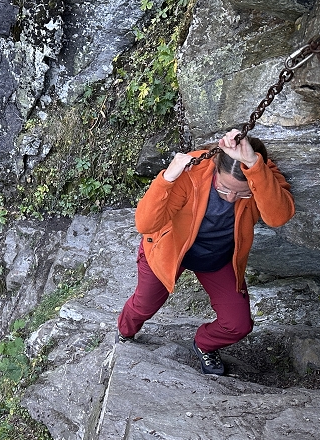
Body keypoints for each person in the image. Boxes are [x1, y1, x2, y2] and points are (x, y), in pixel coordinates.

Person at [117, 128, 295, 375]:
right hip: (169, 249)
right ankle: (124, 333)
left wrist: (254, 167)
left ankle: (204, 344)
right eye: (224, 189)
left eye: (242, 193)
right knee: (143, 305)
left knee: (238, 324)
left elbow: (279, 217)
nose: (232, 198)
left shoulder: (262, 175)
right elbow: (145, 224)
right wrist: (167, 177)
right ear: (214, 168)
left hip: (217, 257)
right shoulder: (193, 171)